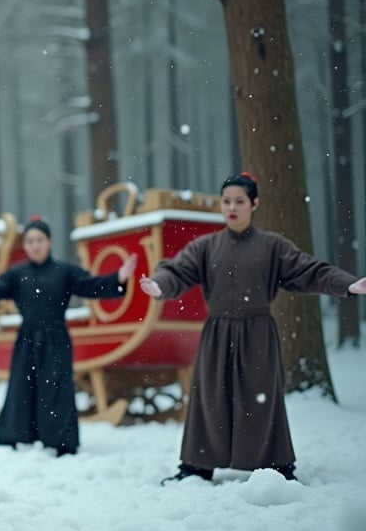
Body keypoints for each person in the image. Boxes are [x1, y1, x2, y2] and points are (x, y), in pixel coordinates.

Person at [139, 173, 366, 484]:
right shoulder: (206, 247)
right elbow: (175, 270)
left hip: (257, 333)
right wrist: (159, 284)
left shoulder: (272, 246)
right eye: (227, 201)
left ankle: (276, 466)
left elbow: (309, 270)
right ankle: (196, 467)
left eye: (239, 201)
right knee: (210, 398)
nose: (232, 207)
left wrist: (348, 284)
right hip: (217, 334)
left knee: (261, 399)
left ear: (254, 204)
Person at [0, 218, 136, 456]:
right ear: (25, 245)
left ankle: (60, 441)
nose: (35, 246)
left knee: (56, 389)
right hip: (27, 340)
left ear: (49, 242)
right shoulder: (17, 274)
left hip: (56, 339)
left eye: (39, 241)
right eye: (30, 241)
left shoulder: (64, 272)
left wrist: (118, 279)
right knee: (21, 388)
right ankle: (14, 436)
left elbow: (91, 285)